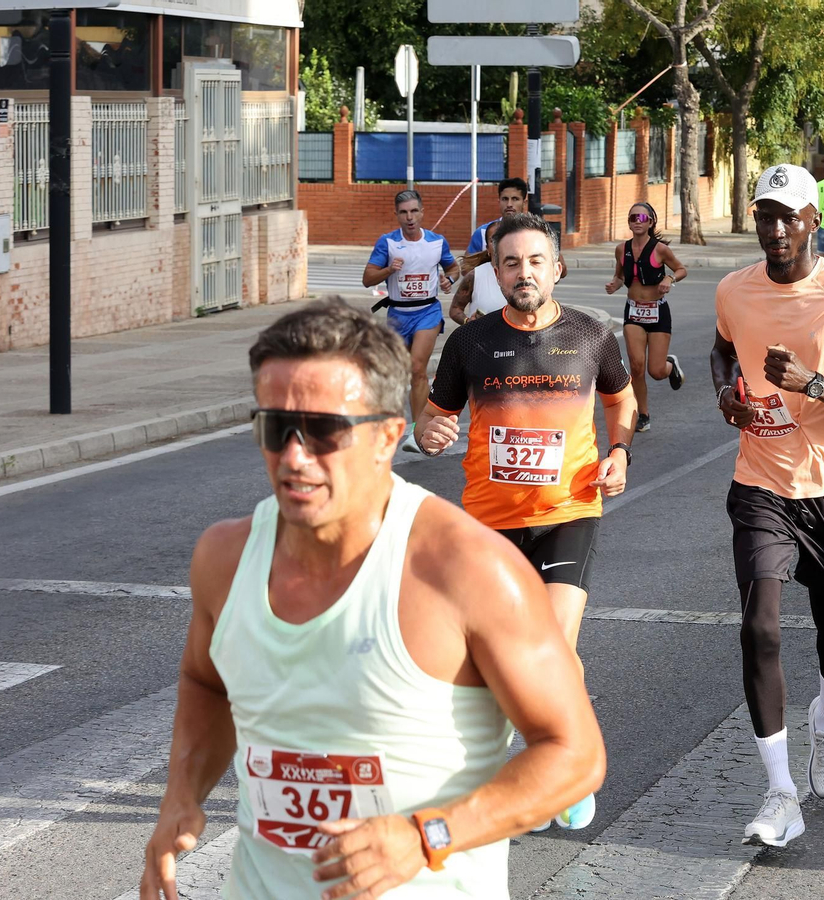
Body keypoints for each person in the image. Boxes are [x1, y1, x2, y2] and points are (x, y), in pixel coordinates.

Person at [139, 300, 604, 899]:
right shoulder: (225, 559)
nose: (294, 458)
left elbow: (574, 753)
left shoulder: (466, 570)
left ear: (388, 435)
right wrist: (180, 797)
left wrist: (424, 836)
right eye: (275, 430)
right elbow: (208, 683)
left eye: (325, 431)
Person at [419, 213, 637, 833]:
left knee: (553, 644)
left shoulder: (592, 336)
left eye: (535, 261)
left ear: (557, 267)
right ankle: (558, 748)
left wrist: (619, 452)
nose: (524, 273)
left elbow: (621, 401)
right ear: (494, 272)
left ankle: (561, 771)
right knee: (506, 656)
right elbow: (435, 417)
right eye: (510, 263)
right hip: (489, 524)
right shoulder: (470, 343)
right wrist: (429, 432)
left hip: (568, 511)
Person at [710, 163, 824, 848]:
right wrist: (728, 393)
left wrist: (815, 383)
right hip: (760, 484)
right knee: (759, 626)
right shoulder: (734, 289)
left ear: (815, 219)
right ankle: (780, 793)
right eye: (766, 215)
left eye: (790, 215)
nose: (778, 228)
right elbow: (722, 350)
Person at [361, 190, 460, 453]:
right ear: (397, 215)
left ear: (422, 212)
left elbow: (453, 267)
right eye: (404, 212)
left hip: (427, 311)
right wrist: (388, 270)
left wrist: (448, 280)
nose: (409, 217)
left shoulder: (437, 242)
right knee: (394, 372)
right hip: (397, 314)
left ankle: (418, 430)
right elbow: (368, 278)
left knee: (417, 368)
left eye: (414, 211)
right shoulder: (388, 243)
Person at [605, 201, 688, 433]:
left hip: (658, 311)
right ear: (629, 223)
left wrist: (669, 279)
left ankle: (670, 366)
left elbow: (681, 269)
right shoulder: (622, 249)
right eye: (633, 218)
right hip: (633, 311)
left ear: (651, 222)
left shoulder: (660, 249)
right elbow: (620, 276)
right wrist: (615, 284)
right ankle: (643, 414)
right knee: (637, 366)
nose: (637, 222)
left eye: (642, 218)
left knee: (656, 371)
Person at [466, 177, 530, 255]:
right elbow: (468, 265)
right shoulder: (483, 233)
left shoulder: (535, 233)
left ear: (524, 202)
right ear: (499, 201)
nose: (509, 204)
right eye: (505, 199)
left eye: (515, 199)